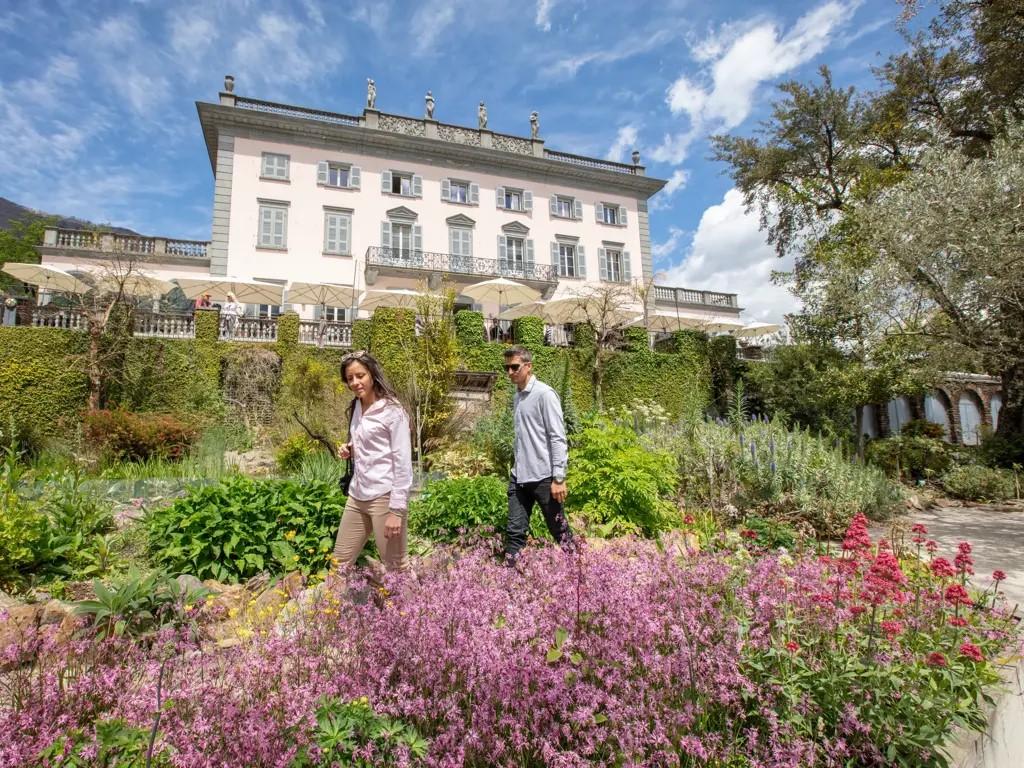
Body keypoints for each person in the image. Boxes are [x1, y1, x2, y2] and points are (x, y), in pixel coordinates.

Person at [333, 350, 412, 574]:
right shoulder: (357, 407)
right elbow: (371, 447)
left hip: (384, 498)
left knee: (397, 568)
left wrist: (396, 511)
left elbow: (403, 463)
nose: (356, 382)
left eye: (360, 375)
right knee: (339, 563)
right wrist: (350, 450)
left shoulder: (392, 411)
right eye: (350, 378)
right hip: (357, 495)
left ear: (372, 374)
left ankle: (415, 609)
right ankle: (330, 609)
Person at [502, 346, 573, 563]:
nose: (510, 372)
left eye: (514, 367)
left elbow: (557, 437)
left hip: (543, 476)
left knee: (558, 529)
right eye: (507, 368)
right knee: (514, 531)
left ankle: (581, 575)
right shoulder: (517, 397)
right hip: (520, 476)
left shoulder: (545, 394)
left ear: (528, 367)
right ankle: (508, 580)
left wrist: (558, 477)